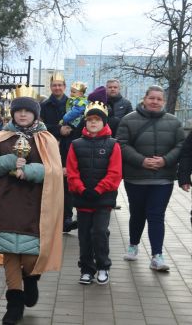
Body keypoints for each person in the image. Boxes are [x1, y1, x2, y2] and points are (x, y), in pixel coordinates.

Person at [0, 95, 63, 325]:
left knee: (31, 254)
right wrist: (10, 161)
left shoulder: (46, 139)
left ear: (35, 114)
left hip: (35, 205)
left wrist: (29, 171)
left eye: (27, 111)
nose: (22, 114)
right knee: (9, 252)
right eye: (18, 111)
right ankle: (14, 304)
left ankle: (31, 278)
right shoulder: (2, 137)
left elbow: (54, 172)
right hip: (4, 203)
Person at [117, 85, 184, 271]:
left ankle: (157, 256)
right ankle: (133, 244)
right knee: (137, 214)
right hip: (135, 178)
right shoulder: (128, 120)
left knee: (156, 215)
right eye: (151, 98)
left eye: (159, 99)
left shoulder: (174, 122)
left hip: (163, 179)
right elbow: (121, 145)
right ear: (144, 99)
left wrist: (165, 160)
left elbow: (181, 146)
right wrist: (141, 161)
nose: (155, 102)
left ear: (163, 101)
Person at [66, 101, 122, 285]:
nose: (93, 123)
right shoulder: (76, 144)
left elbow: (115, 173)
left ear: (104, 122)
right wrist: (81, 189)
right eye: (90, 119)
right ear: (85, 122)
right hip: (84, 199)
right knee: (84, 235)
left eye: (97, 119)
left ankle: (103, 266)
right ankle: (86, 268)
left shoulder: (113, 145)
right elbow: (72, 172)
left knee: (99, 232)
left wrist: (99, 189)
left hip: (103, 199)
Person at [40, 73, 78, 233]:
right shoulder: (44, 105)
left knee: (67, 183)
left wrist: (69, 132)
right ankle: (50, 218)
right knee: (50, 182)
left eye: (60, 85)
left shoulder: (74, 104)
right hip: (50, 146)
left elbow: (79, 124)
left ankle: (66, 218)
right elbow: (40, 125)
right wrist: (57, 130)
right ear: (51, 87)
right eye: (54, 85)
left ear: (64, 86)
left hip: (69, 148)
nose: (57, 87)